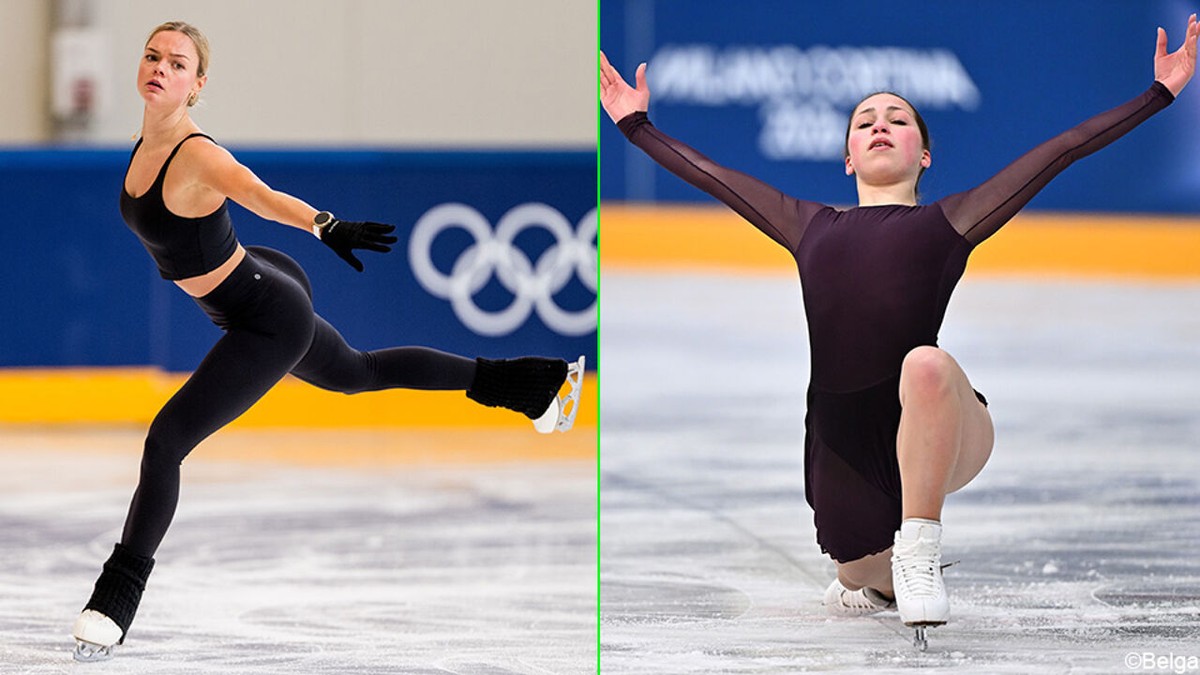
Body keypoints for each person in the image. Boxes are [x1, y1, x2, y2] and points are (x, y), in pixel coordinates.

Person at [600, 15, 1197, 649]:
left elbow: (1061, 150)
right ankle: (885, 579)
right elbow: (712, 176)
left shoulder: (950, 223)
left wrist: (1157, 95)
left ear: (925, 153)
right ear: (848, 156)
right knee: (858, 575)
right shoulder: (810, 227)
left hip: (939, 418)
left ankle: (919, 548)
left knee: (926, 364)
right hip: (842, 447)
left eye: (898, 118)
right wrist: (636, 126)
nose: (880, 123)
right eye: (864, 121)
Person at [71, 21, 584, 662]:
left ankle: (112, 606)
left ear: (197, 85)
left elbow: (257, 194)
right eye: (152, 56)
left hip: (265, 314)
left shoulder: (197, 154)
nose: (159, 68)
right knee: (357, 372)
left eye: (177, 64)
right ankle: (538, 386)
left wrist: (326, 224)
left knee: (166, 440)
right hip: (253, 286)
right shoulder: (144, 143)